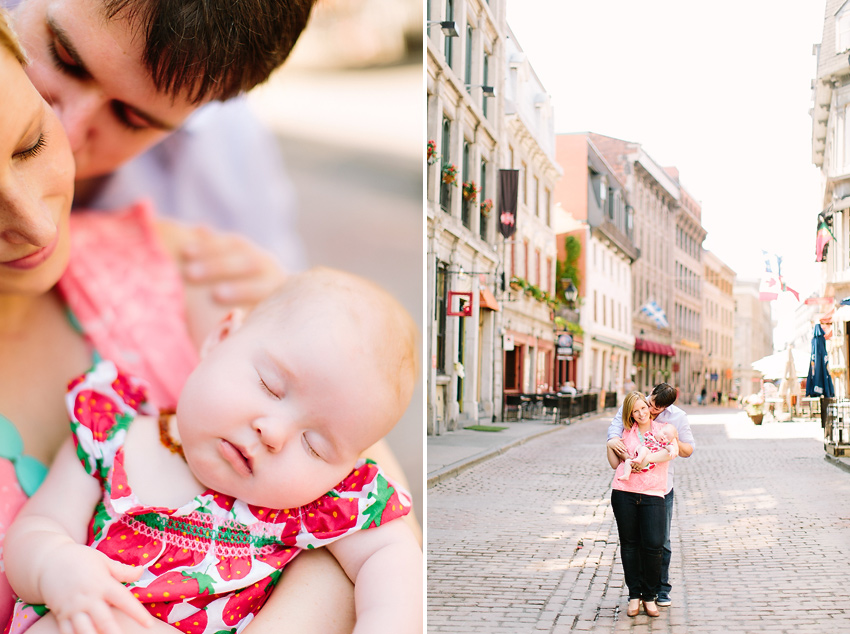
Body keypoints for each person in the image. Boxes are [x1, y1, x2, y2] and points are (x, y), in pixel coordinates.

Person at [0, 16, 416, 632]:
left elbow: (387, 539)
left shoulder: (190, 272)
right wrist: (60, 570)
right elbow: (39, 538)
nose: (37, 225)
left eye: (31, 143)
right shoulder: (110, 434)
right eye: (64, 58)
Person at [4, 268, 422, 634]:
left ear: (346, 469)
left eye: (315, 446)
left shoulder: (313, 503)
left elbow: (393, 557)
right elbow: (40, 526)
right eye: (270, 386)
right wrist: (54, 564)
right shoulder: (112, 436)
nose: (273, 433)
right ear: (220, 338)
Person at [10, 0, 317, 274]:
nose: (66, 133)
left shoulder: (229, 151)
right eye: (64, 57)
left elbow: (284, 280)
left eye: (132, 120)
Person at [606, 383, 695, 608]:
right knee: (633, 542)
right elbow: (616, 430)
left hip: (661, 487)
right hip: (629, 489)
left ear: (667, 407)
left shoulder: (676, 419)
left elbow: (686, 451)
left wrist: (671, 441)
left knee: (659, 541)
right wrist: (626, 455)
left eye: (656, 408)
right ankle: (638, 593)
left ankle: (659, 590)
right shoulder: (636, 407)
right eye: (650, 404)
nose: (650, 410)